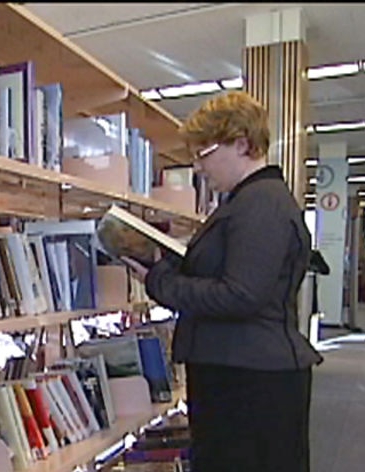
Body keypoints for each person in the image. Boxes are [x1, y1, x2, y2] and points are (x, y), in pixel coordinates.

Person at [122, 91, 323, 472]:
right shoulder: (247, 201)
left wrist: (161, 280)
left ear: (242, 143)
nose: (198, 166)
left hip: (250, 380)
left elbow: (241, 294)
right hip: (240, 371)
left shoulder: (261, 204)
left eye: (205, 153)